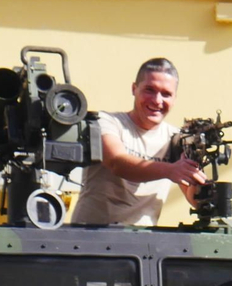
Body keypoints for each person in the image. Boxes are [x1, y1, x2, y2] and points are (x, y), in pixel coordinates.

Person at [70, 58, 207, 227]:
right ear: (134, 89)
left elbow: (193, 198)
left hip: (142, 243)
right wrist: (170, 170)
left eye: (166, 94)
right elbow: (117, 162)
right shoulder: (106, 122)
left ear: (175, 99)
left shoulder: (176, 138)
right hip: (91, 235)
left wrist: (200, 181)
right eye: (150, 90)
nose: (157, 100)